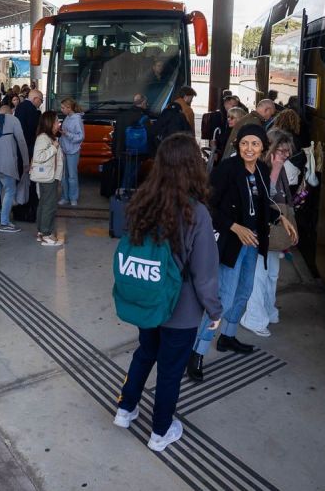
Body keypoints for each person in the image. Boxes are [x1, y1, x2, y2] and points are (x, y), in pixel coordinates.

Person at [114, 132, 222, 451]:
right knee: (171, 369)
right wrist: (214, 310)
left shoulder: (142, 201)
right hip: (181, 309)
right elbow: (204, 273)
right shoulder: (196, 212)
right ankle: (160, 431)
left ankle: (125, 409)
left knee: (145, 352)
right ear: (193, 167)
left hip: (148, 300)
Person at [188, 124, 296, 381]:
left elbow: (260, 205)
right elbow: (206, 206)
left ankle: (227, 336)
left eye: (255, 144)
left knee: (244, 292)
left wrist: (279, 217)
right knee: (223, 298)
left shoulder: (261, 170)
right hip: (231, 243)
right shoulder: (227, 169)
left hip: (253, 242)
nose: (249, 148)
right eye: (245, 143)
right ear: (238, 145)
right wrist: (234, 227)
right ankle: (197, 351)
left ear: (263, 148)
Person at [240, 129, 298, 337]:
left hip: (271, 230)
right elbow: (264, 197)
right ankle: (254, 317)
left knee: (271, 273)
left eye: (288, 151)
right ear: (271, 149)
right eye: (282, 150)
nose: (286, 154)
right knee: (259, 276)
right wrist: (277, 168)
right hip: (259, 229)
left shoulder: (276, 167)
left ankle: (267, 309)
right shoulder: (257, 167)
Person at [0, 98, 30, 233]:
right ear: (11, 112)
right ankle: (4, 222)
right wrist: (26, 162)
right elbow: (21, 141)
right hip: (6, 163)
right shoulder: (13, 120)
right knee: (10, 190)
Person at [32, 112, 65, 246]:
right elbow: (38, 157)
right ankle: (46, 234)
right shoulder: (43, 138)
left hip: (50, 176)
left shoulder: (48, 137)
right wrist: (53, 147)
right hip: (48, 177)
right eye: (56, 121)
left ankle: (42, 232)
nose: (58, 124)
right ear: (49, 123)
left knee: (44, 204)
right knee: (49, 206)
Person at [13, 89, 43, 219]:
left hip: (19, 147)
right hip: (27, 148)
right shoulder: (31, 110)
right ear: (35, 99)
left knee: (20, 178)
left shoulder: (20, 106)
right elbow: (32, 129)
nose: (40, 104)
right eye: (41, 101)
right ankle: (28, 206)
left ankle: (19, 206)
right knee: (28, 178)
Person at [58, 97, 85, 207]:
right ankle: (65, 197)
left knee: (72, 176)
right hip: (64, 149)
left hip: (73, 151)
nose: (61, 110)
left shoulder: (77, 119)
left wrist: (66, 134)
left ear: (69, 108)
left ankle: (73, 198)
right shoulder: (67, 118)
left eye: (63, 107)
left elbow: (81, 137)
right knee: (64, 175)